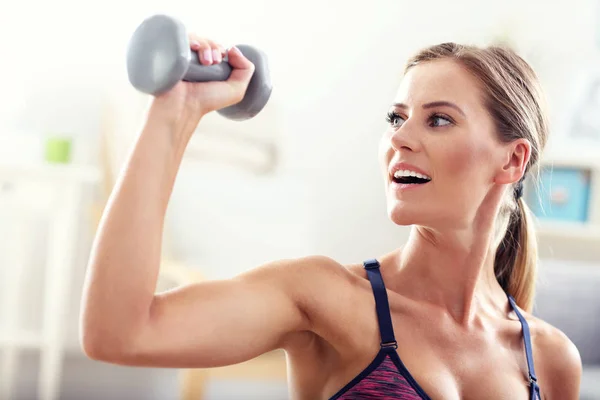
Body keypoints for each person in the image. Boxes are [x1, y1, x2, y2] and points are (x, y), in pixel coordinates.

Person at [80, 35, 582, 399]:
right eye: (396, 118)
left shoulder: (550, 358)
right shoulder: (326, 298)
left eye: (439, 119)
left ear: (512, 160)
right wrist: (175, 112)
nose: (400, 138)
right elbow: (120, 332)